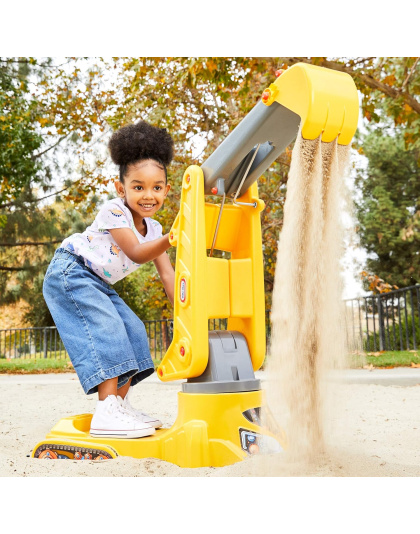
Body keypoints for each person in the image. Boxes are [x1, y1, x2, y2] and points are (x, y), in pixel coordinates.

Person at [43, 121, 175, 439]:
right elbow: (136, 252)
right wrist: (174, 237)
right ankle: (106, 410)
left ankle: (119, 407)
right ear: (122, 189)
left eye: (157, 187)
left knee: (134, 331)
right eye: (138, 187)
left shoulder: (155, 231)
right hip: (71, 271)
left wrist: (186, 312)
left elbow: (167, 274)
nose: (148, 195)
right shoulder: (114, 212)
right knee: (110, 330)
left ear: (166, 190)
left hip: (97, 282)